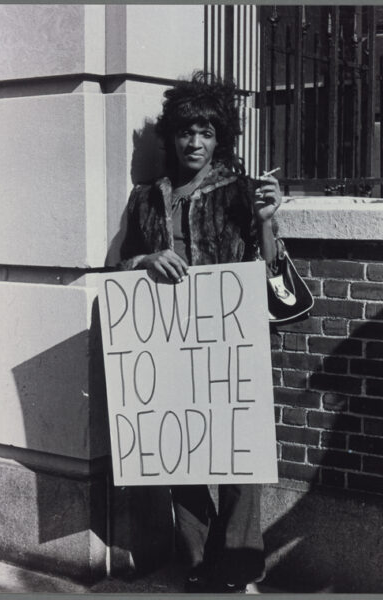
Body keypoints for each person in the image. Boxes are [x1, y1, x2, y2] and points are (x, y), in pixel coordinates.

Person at [119, 71, 282, 593]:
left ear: (220, 139)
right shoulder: (146, 197)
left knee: (239, 458)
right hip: (168, 344)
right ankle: (196, 557)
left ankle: (235, 564)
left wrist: (266, 221)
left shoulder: (241, 191)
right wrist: (146, 258)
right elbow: (117, 268)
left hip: (230, 343)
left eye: (207, 132)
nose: (196, 142)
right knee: (182, 454)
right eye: (188, 131)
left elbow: (273, 272)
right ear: (172, 136)